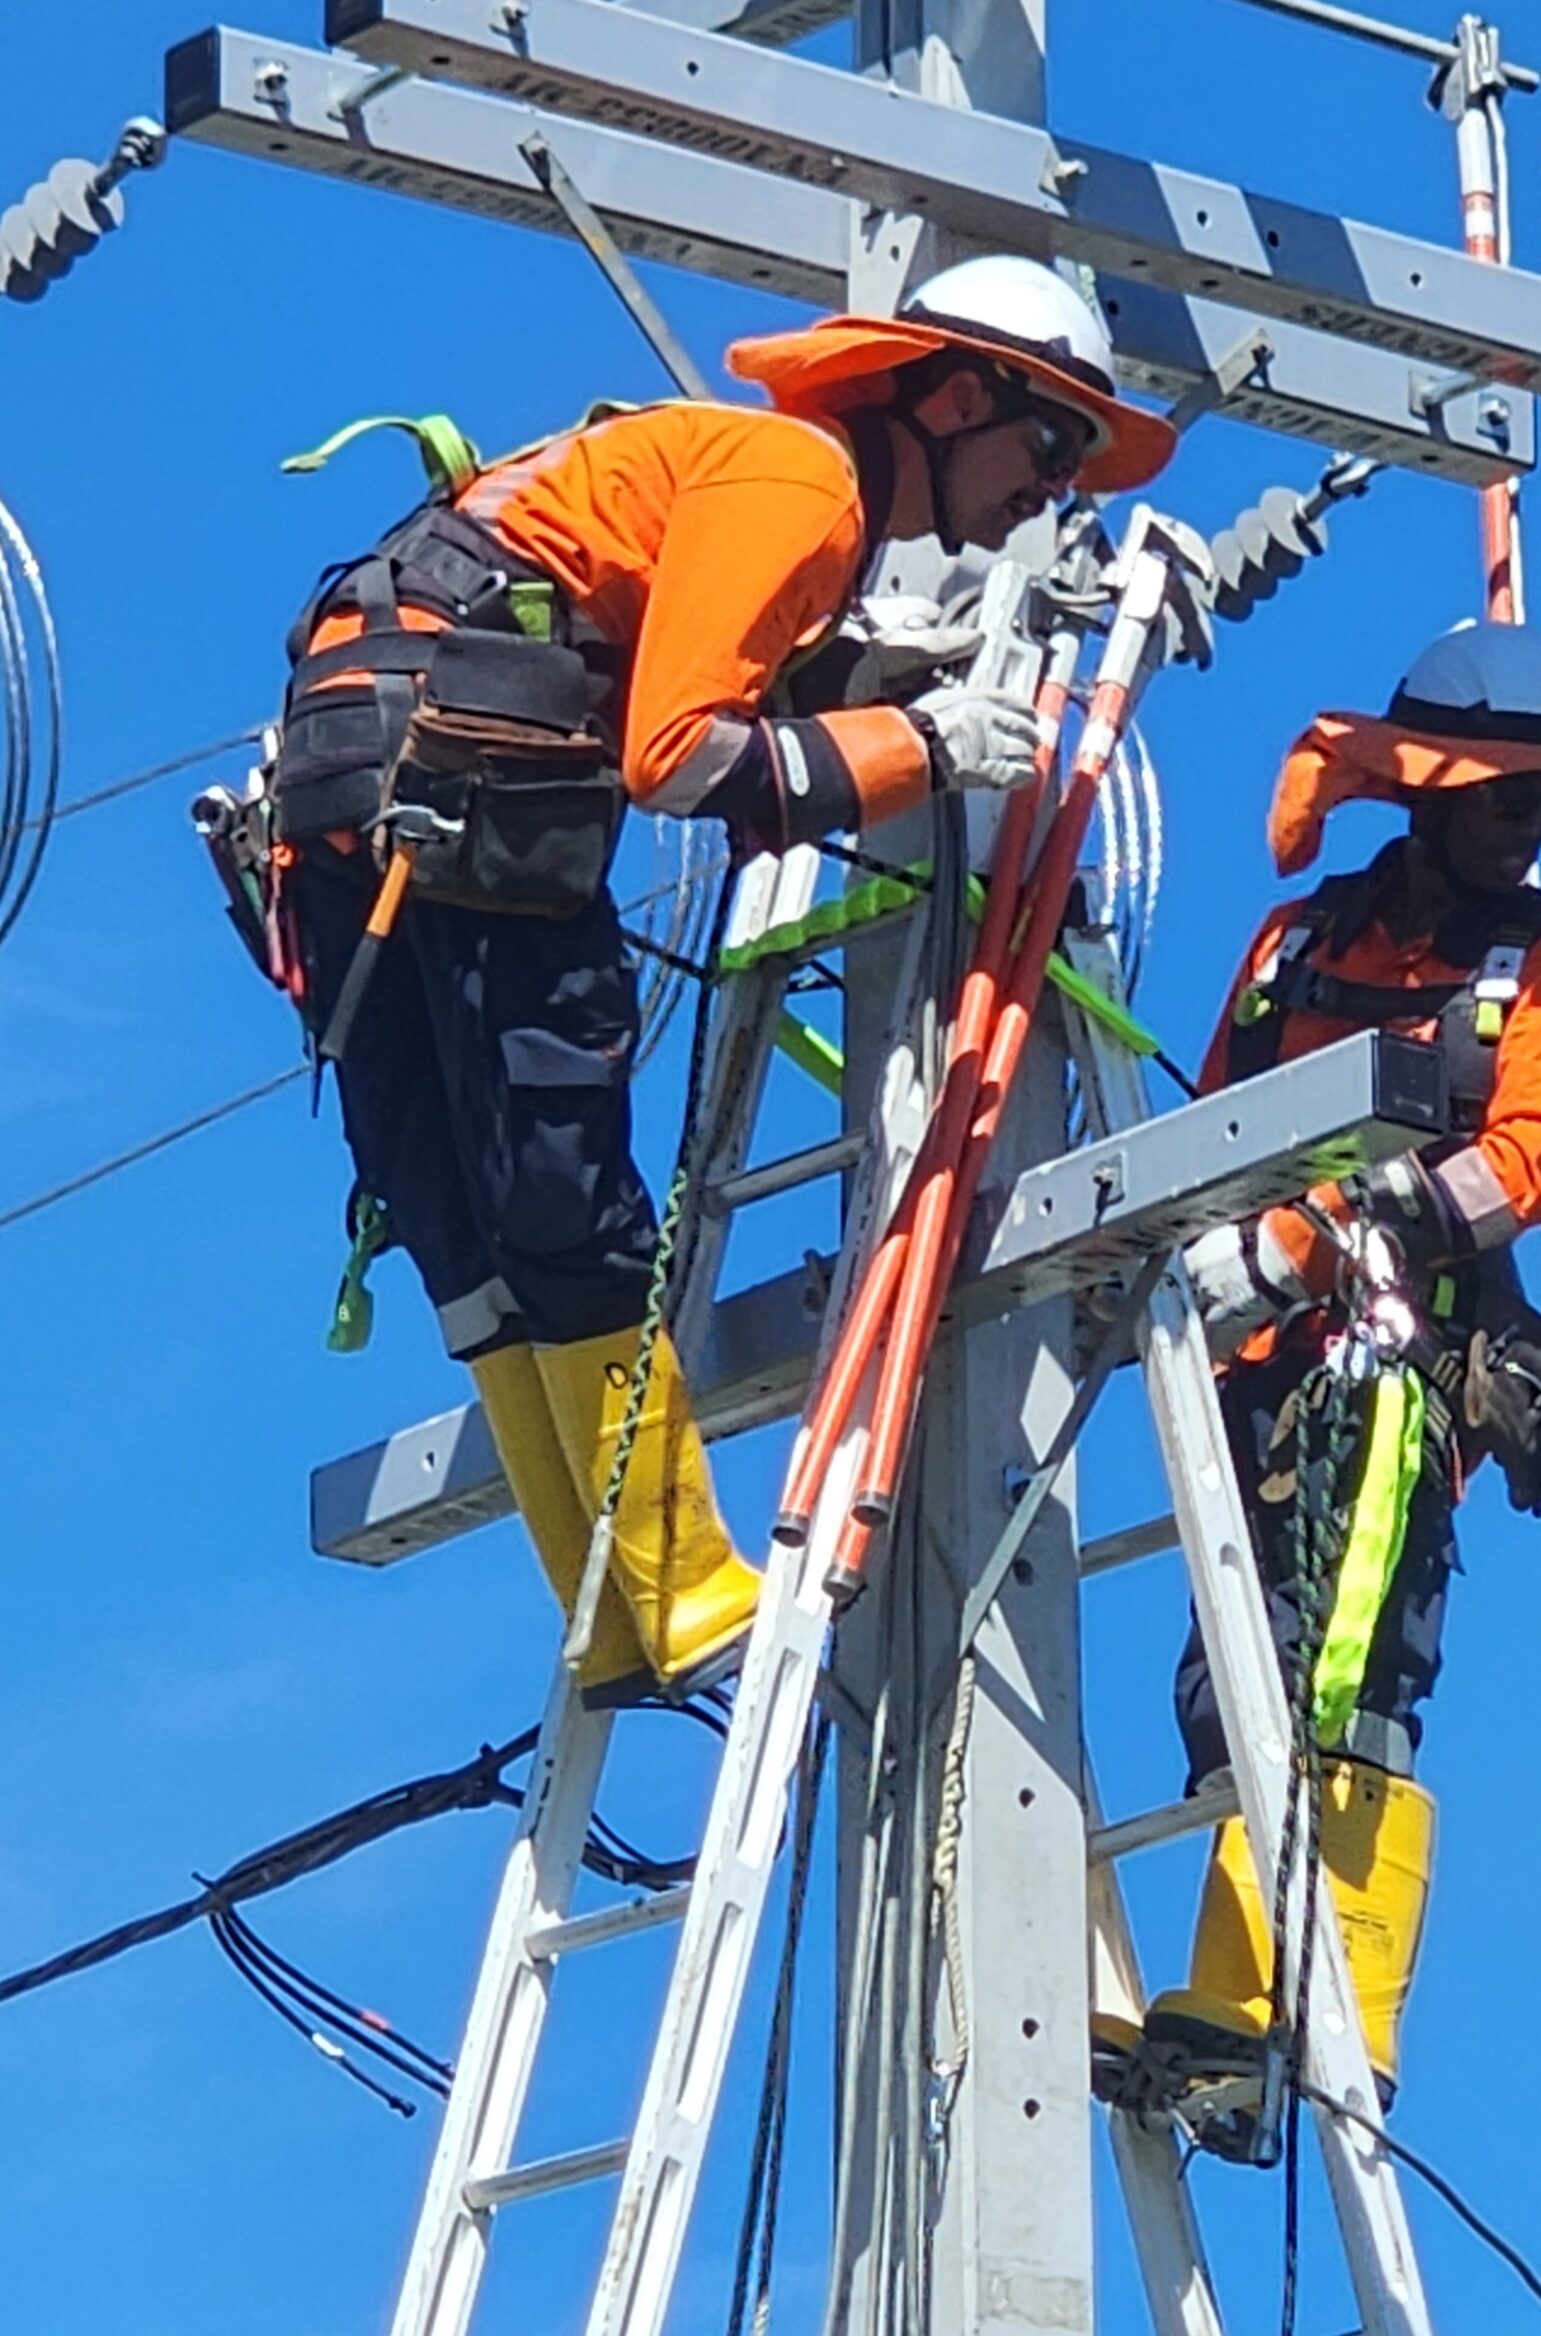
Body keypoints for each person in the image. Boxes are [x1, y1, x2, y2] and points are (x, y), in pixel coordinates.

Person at [267, 256, 1176, 1705]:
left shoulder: (735, 479)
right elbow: (677, 752)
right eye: (1050, 447)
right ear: (948, 397)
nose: (1050, 497)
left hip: (349, 788)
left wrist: (865, 691)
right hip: (465, 784)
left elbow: (686, 678)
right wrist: (923, 746)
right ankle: (682, 1591)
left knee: (475, 1226)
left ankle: (610, 1611)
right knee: (561, 1198)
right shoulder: (801, 481)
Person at [1126, 619, 1541, 2139]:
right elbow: (1216, 1120)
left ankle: (1294, 2010)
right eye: (1514, 798)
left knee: (1341, 1673)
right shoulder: (1299, 943)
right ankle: (1232, 1998)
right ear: (1430, 786)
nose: (1536, 831)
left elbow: (1522, 1170)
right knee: (1225, 1682)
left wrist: (1312, 1242)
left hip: (1388, 1374)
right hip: (1246, 1369)